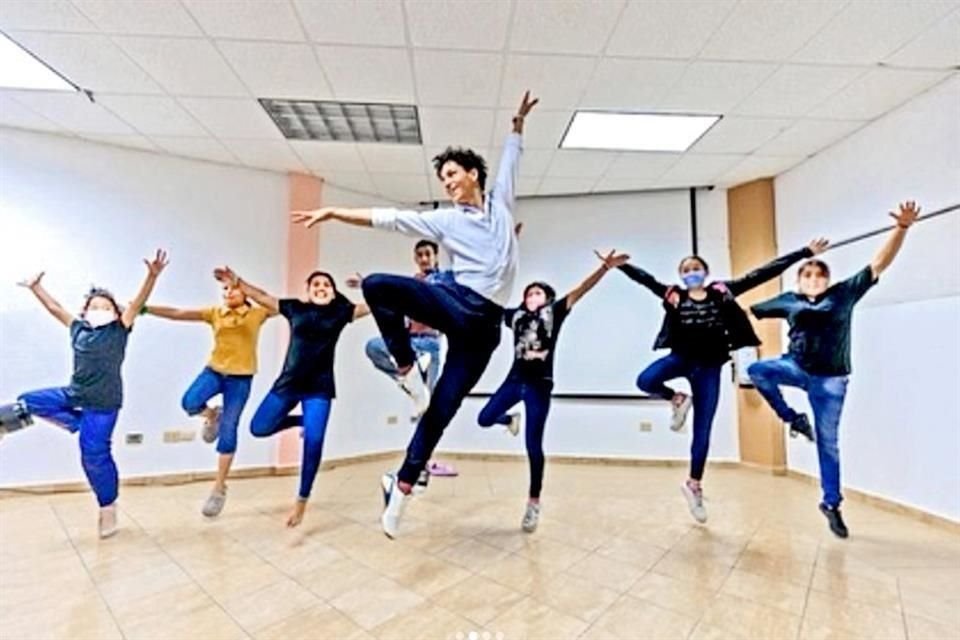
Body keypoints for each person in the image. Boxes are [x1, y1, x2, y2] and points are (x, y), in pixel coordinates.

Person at [291, 90, 539, 538]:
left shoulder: (501, 202)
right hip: (460, 303)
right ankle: (406, 366)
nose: (446, 182)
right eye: (442, 178)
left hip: (485, 332)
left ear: (471, 174)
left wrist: (517, 125)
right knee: (377, 285)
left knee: (440, 411)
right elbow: (388, 218)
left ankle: (401, 489)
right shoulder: (445, 220)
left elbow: (510, 162)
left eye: (451, 174)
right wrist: (333, 211)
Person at [610, 238, 828, 523]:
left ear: (705, 271)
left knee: (702, 430)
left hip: (709, 368)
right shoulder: (673, 296)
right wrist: (621, 266)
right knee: (645, 380)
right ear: (681, 276)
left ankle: (693, 484)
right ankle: (676, 399)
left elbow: (762, 273)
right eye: (686, 269)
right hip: (680, 359)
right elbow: (646, 280)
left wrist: (804, 253)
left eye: (696, 267)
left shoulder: (722, 292)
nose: (692, 272)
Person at [748, 201, 920, 539]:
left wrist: (901, 229)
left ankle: (831, 504)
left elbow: (879, 264)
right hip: (794, 367)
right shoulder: (788, 300)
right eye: (807, 274)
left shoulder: (844, 294)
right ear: (799, 280)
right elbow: (748, 312)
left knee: (829, 444)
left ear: (828, 279)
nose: (814, 279)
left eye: (820, 274)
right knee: (758, 369)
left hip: (830, 381)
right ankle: (793, 419)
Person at [0, 250, 168, 538]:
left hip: (104, 404)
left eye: (106, 306)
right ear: (85, 311)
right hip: (74, 394)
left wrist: (151, 276)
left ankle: (107, 507)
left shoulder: (119, 330)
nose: (99, 310)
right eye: (94, 306)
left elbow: (138, 303)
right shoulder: (77, 329)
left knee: (93, 454)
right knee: (26, 401)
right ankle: (51, 424)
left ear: (116, 313)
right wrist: (36, 288)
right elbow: (55, 309)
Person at [478, 251, 629, 533]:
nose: (531, 296)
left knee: (533, 447)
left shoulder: (555, 313)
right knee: (484, 418)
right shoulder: (515, 316)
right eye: (528, 292)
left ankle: (533, 503)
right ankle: (510, 420)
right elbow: (490, 300)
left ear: (546, 298)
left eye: (537, 292)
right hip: (514, 380)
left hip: (539, 386)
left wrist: (604, 269)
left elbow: (581, 289)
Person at [213, 266, 368, 527]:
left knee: (314, 442)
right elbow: (262, 296)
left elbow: (376, 303)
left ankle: (301, 502)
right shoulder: (296, 308)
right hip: (288, 385)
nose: (321, 287)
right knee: (259, 428)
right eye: (316, 284)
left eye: (326, 285)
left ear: (333, 292)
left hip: (319, 389)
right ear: (307, 292)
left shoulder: (342, 313)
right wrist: (238, 281)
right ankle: (300, 422)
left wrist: (367, 285)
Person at [144, 279, 273, 517]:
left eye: (234, 288)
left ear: (244, 292)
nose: (229, 292)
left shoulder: (257, 314)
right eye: (225, 289)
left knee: (229, 431)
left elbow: (273, 304)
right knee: (189, 402)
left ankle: (219, 488)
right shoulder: (215, 313)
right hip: (214, 372)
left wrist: (246, 285)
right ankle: (213, 415)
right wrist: (144, 307)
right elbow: (178, 313)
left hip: (241, 379)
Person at [347, 239, 458, 487]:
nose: (424, 259)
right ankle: (408, 377)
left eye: (428, 254)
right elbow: (389, 295)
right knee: (373, 347)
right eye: (419, 255)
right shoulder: (413, 281)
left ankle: (419, 467)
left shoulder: (444, 280)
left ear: (436, 256)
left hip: (429, 346)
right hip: (408, 343)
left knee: (426, 410)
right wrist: (365, 283)